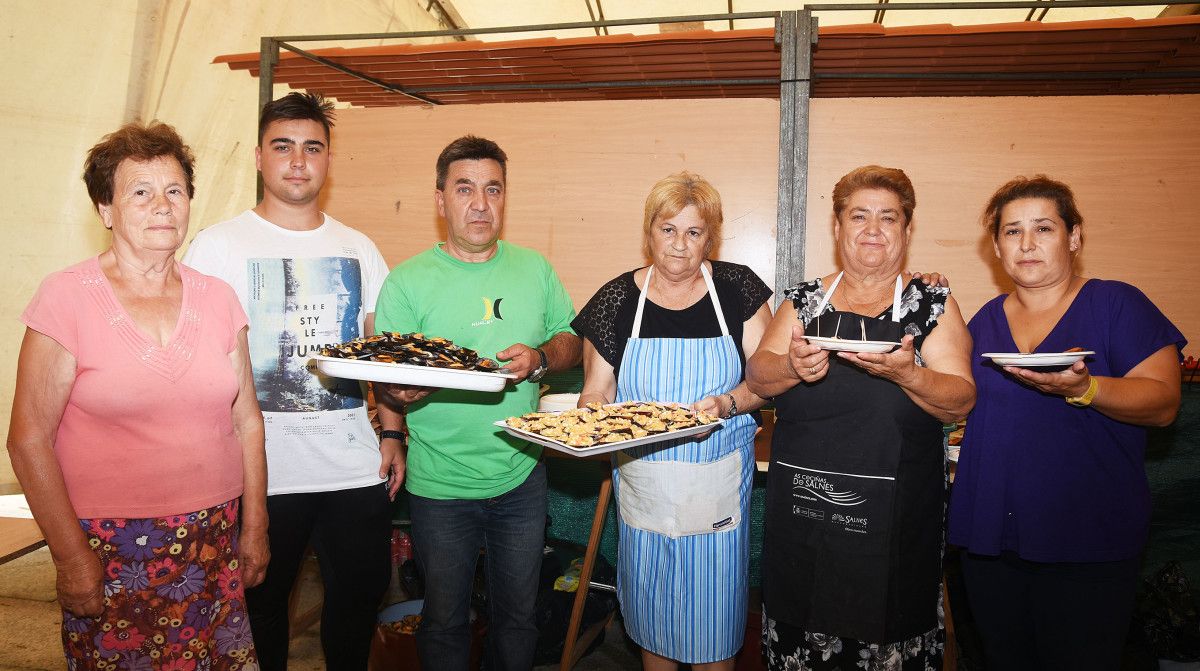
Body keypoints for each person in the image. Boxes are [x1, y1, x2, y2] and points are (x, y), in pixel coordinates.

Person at [7, 122, 267, 667]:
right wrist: (71, 559)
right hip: (111, 548)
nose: (162, 206)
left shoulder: (218, 299)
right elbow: (29, 440)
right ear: (105, 209)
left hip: (212, 543)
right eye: (140, 193)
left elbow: (247, 420)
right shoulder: (65, 298)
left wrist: (256, 526)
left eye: (175, 191)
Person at [183, 92, 404, 670]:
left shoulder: (359, 248)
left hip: (354, 468)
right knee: (260, 612)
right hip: (258, 474)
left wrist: (394, 431)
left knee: (357, 604)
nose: (299, 161)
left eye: (313, 147)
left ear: (329, 159)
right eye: (283, 147)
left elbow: (383, 354)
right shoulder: (217, 247)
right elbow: (192, 362)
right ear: (259, 157)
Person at [948, 176, 1184, 671]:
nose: (1027, 243)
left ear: (1074, 237)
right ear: (996, 247)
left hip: (1087, 539)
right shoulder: (984, 321)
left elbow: (1164, 401)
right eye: (1012, 232)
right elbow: (957, 402)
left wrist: (1085, 389)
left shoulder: (1116, 303)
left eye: (1043, 228)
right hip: (990, 539)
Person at [747, 165, 975, 670]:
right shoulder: (805, 300)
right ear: (837, 227)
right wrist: (791, 364)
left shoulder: (931, 303)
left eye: (888, 218)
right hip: (806, 518)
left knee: (888, 631)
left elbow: (960, 398)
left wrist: (908, 375)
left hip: (893, 526)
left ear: (906, 230)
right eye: (859, 216)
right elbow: (759, 376)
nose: (873, 229)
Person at [374, 135, 581, 671]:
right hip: (439, 482)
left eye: (493, 189)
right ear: (440, 198)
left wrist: (538, 358)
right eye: (464, 189)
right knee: (444, 619)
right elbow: (386, 375)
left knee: (519, 617)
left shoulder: (534, 269)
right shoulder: (407, 281)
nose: (480, 204)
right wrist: (397, 402)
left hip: (520, 475)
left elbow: (569, 339)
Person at [571, 172, 773, 670]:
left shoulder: (737, 290)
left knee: (715, 631)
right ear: (649, 232)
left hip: (717, 492)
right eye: (668, 230)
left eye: (694, 232)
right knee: (653, 626)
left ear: (711, 236)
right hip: (645, 490)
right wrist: (590, 417)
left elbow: (767, 381)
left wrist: (726, 403)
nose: (680, 246)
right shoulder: (616, 300)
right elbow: (595, 392)